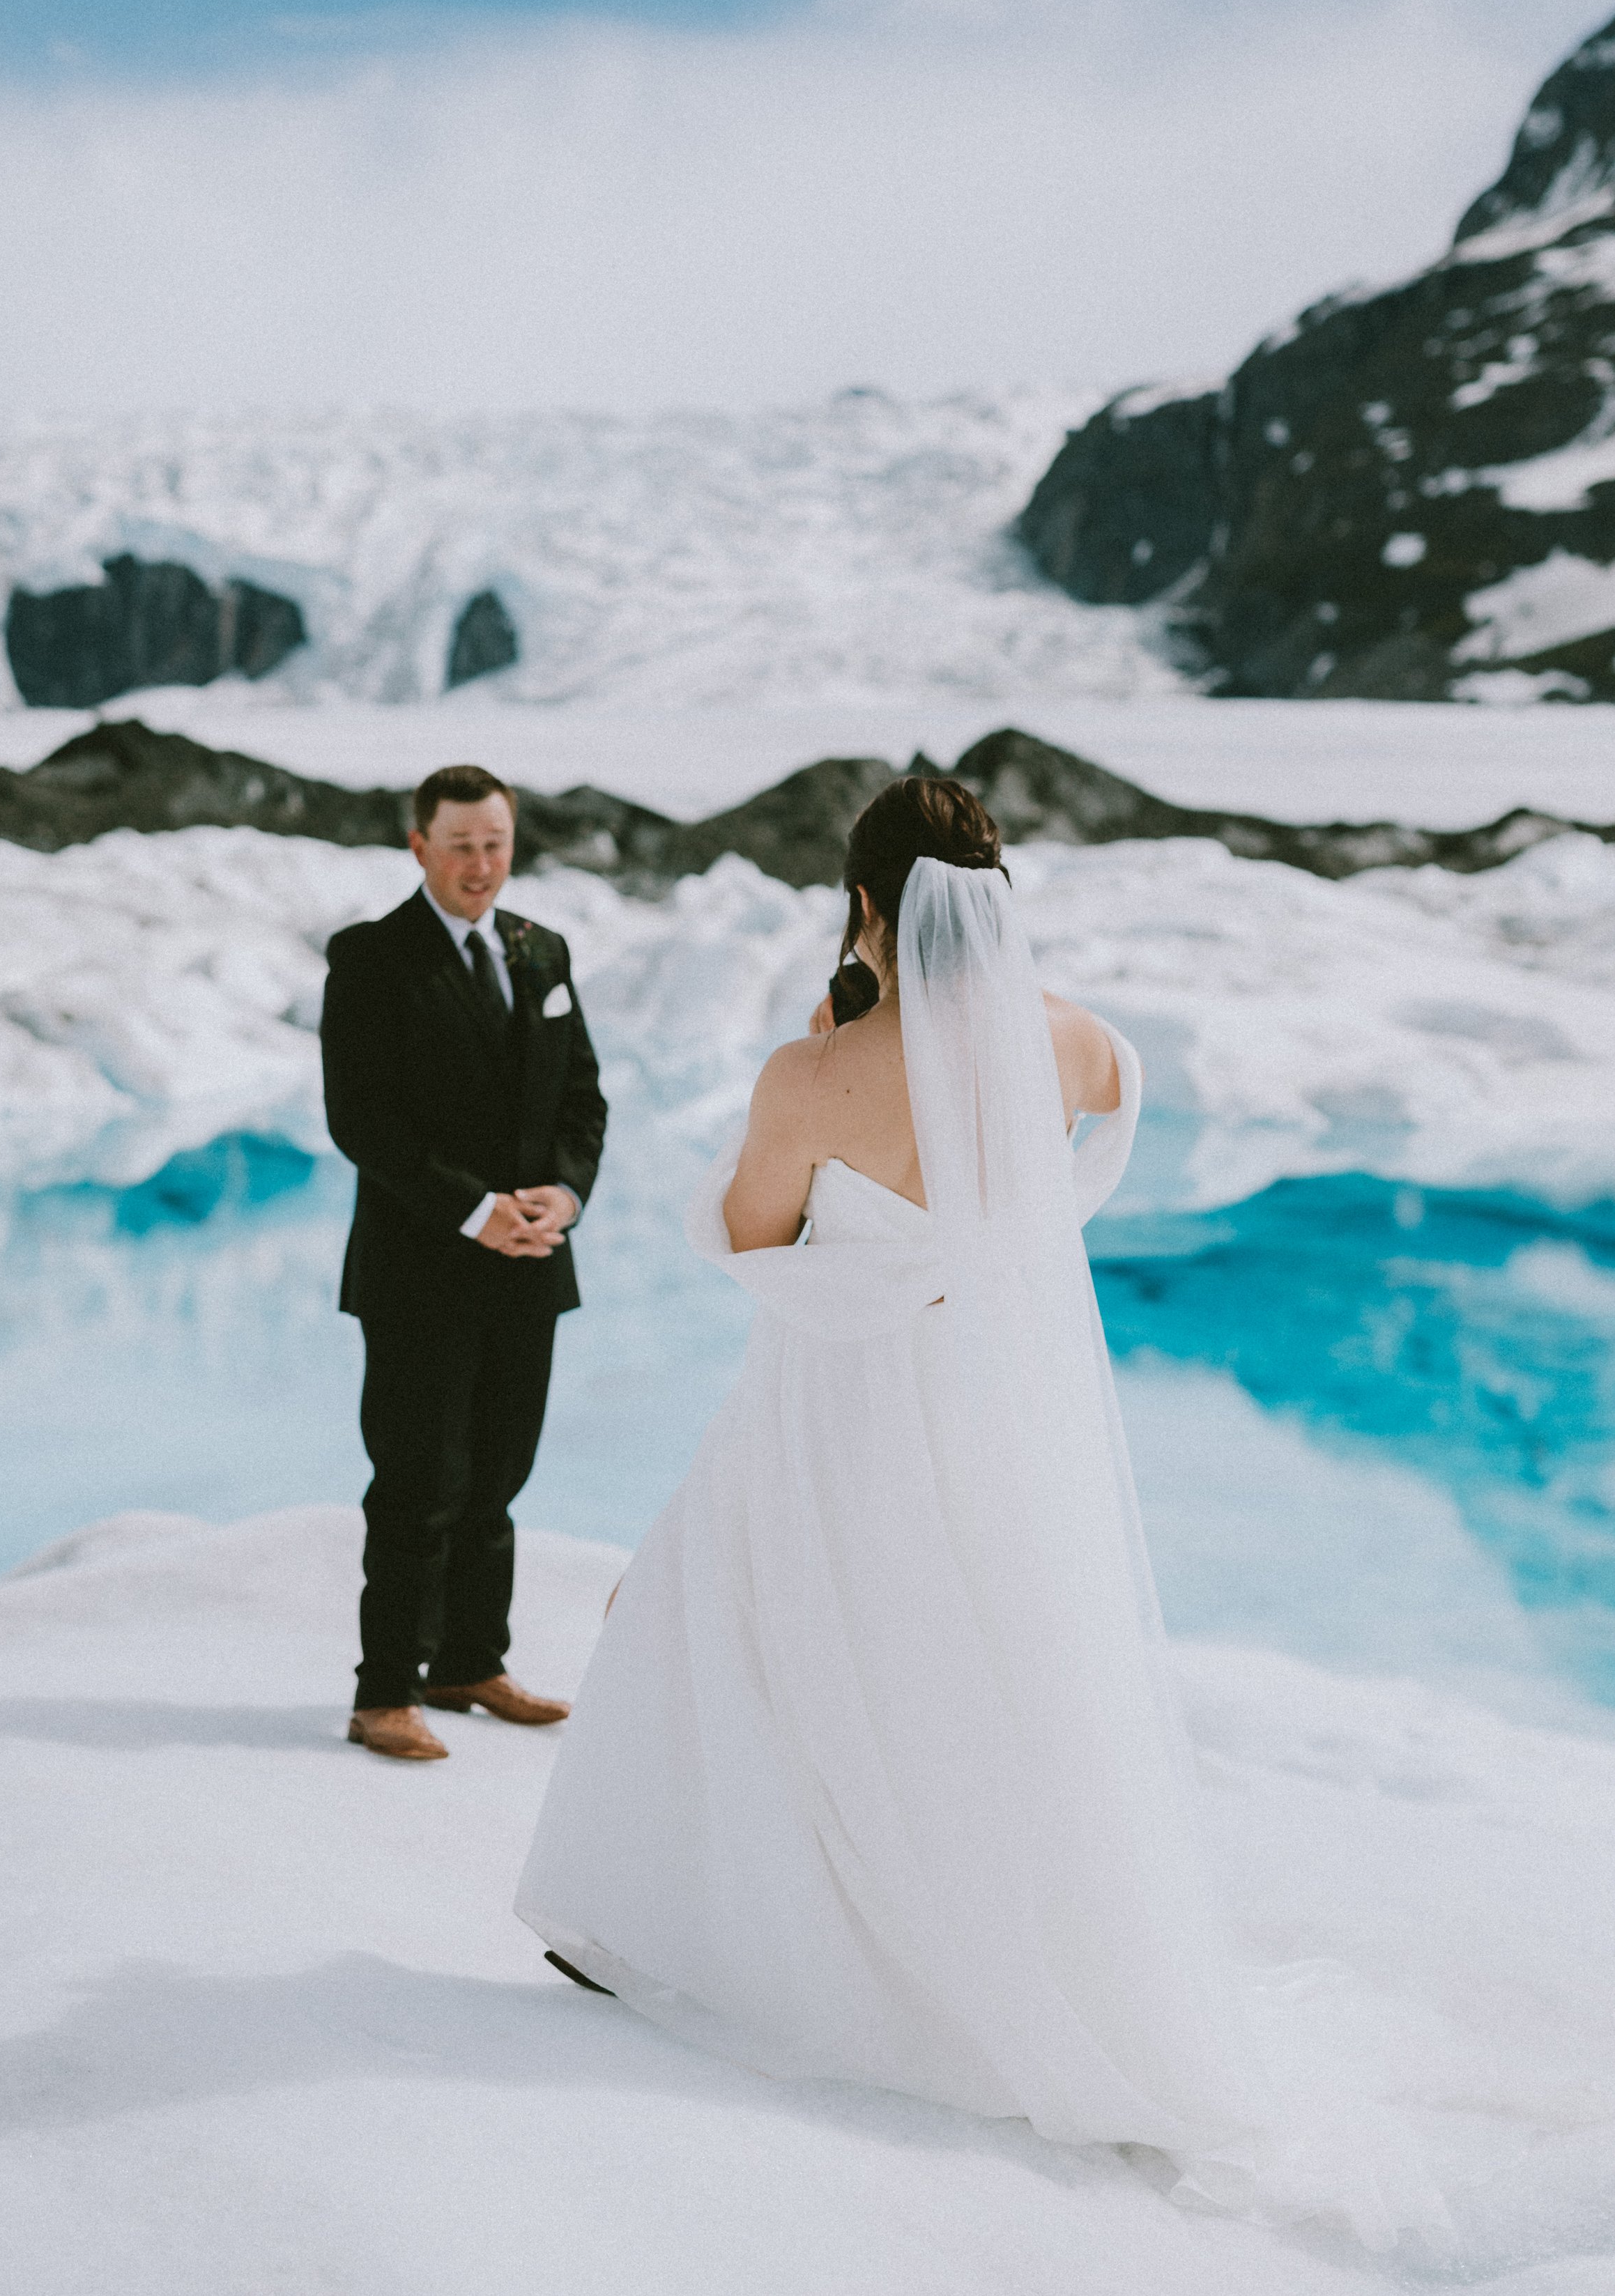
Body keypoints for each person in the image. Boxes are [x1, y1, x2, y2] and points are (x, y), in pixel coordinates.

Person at [516, 777, 1427, 2237]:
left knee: (746, 1631)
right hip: (991, 1405)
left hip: (832, 1408)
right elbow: (1112, 1109)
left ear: (868, 906)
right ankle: (1002, 1957)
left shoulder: (807, 1075)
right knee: (974, 1665)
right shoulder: (1064, 1046)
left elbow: (751, 1238)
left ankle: (734, 1938)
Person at [322, 764, 606, 1762]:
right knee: (418, 1478)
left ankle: (469, 1662)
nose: (482, 865)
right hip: (419, 1268)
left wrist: (562, 1195)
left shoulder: (544, 951)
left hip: (530, 1262)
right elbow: (360, 1119)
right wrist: (474, 1209)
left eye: (496, 844)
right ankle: (384, 1689)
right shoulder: (371, 959)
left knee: (499, 1474)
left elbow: (584, 1100)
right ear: (419, 847)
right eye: (461, 846)